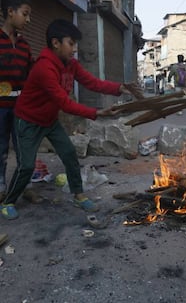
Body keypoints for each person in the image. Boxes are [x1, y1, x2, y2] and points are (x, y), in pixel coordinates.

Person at [0, 19, 137, 220]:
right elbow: (64, 103)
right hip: (27, 121)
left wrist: (120, 88)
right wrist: (96, 113)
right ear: (56, 43)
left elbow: (92, 82)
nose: (74, 49)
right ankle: (8, 201)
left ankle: (78, 194)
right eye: (71, 43)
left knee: (70, 154)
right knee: (26, 166)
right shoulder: (44, 67)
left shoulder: (71, 64)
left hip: (49, 120)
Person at [0, 0, 41, 204]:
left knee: (25, 147)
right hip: (0, 106)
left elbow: (31, 73)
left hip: (21, 107)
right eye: (25, 14)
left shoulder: (24, 45)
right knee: (1, 149)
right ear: (10, 12)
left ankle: (27, 186)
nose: (28, 20)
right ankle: (1, 188)